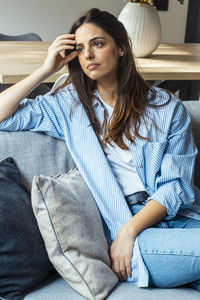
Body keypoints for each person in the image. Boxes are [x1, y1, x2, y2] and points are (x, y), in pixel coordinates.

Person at [0, 7, 200, 291]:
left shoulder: (167, 108)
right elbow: (3, 115)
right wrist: (46, 69)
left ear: (120, 47)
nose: (88, 55)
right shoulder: (68, 106)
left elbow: (177, 186)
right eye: (80, 49)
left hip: (178, 218)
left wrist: (129, 232)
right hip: (127, 228)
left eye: (97, 43)